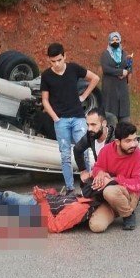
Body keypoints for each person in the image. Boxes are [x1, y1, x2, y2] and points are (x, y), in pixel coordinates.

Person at [40, 42, 100, 195]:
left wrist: (84, 96)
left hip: (78, 117)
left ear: (65, 56)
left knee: (84, 151)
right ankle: (70, 188)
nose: (57, 64)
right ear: (49, 60)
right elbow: (45, 100)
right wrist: (55, 118)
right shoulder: (46, 75)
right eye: (53, 61)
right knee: (65, 155)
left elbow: (95, 78)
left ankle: (87, 184)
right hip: (61, 120)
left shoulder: (73, 68)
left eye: (59, 60)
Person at [88, 122, 140, 232]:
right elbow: (97, 167)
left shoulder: (139, 156)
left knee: (110, 191)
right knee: (96, 227)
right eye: (128, 141)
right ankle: (118, 208)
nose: (134, 144)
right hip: (109, 197)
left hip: (130, 193)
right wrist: (100, 173)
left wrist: (113, 180)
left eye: (135, 139)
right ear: (117, 142)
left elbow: (139, 184)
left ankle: (128, 215)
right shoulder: (106, 150)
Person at [99, 32, 132, 123]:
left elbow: (129, 67)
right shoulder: (105, 54)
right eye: (113, 40)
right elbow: (106, 69)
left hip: (122, 88)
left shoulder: (124, 53)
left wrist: (127, 71)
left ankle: (125, 135)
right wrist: (120, 72)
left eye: (117, 39)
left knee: (125, 118)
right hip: (110, 88)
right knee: (111, 116)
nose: (115, 41)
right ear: (109, 41)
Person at [75, 110, 116, 183]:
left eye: (93, 124)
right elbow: (77, 149)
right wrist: (83, 171)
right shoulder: (91, 135)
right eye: (88, 125)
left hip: (117, 178)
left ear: (104, 123)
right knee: (85, 185)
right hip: (100, 174)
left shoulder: (116, 138)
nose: (89, 129)